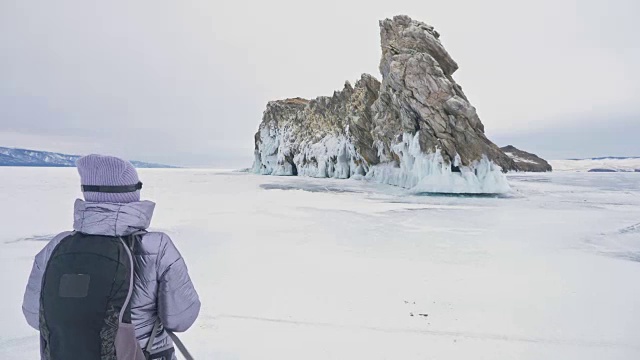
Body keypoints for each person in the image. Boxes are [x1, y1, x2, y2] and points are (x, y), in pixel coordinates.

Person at [22, 154, 201, 359]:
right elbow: (181, 319)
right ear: (130, 192)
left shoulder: (57, 246)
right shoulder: (157, 246)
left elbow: (35, 316)